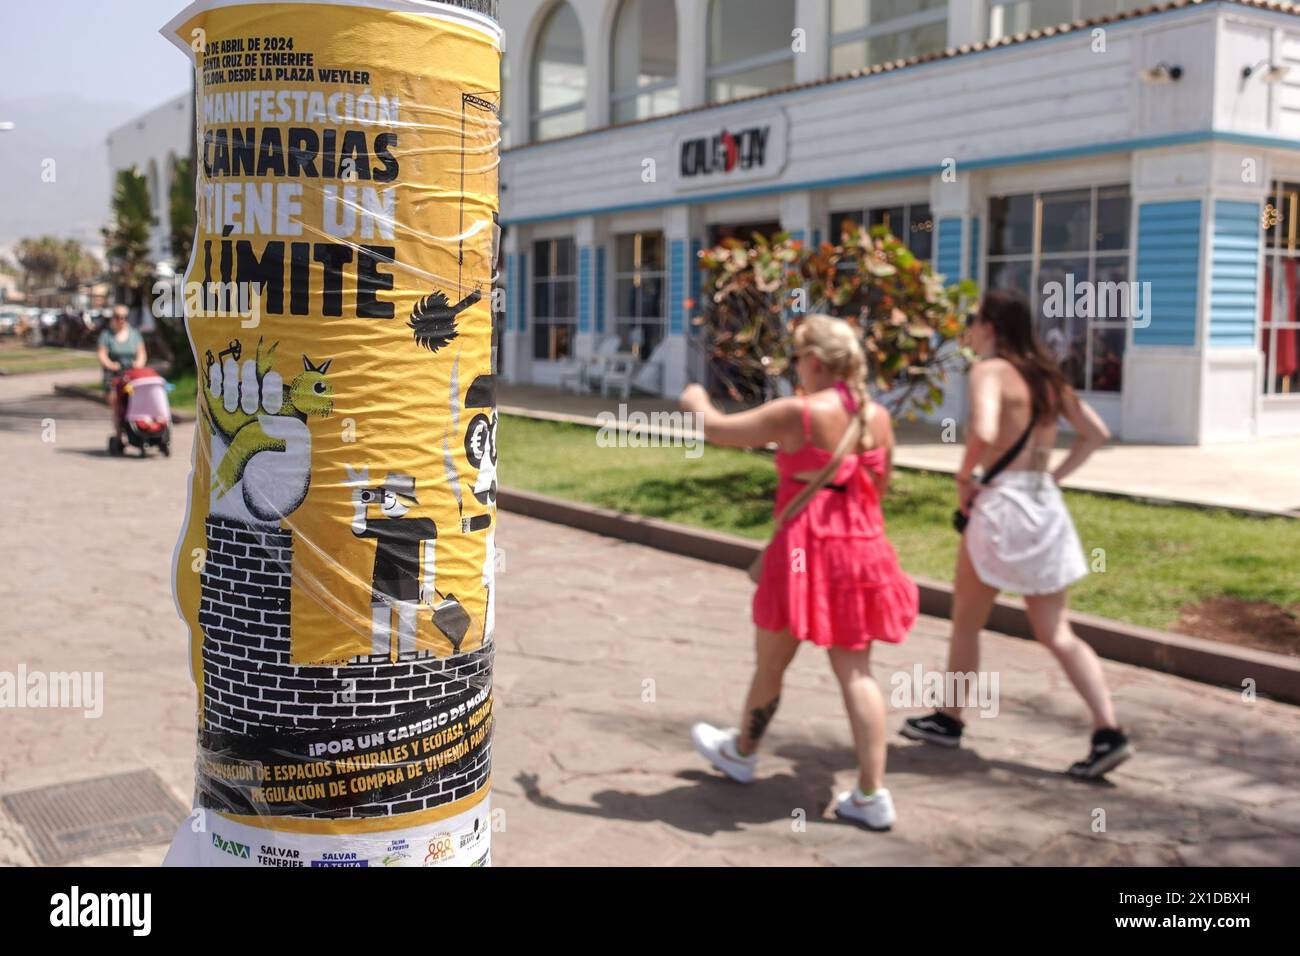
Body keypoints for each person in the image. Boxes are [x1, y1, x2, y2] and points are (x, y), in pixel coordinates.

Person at [681, 313, 919, 831]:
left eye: (797, 359)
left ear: (813, 361)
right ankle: (872, 793)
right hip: (861, 549)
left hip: (804, 554)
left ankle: (742, 752)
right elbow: (880, 487)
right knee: (857, 672)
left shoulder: (798, 413)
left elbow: (719, 430)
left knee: (771, 662)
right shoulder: (875, 416)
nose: (794, 369)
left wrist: (695, 398)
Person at [901, 289, 1132, 779]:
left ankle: (950, 718)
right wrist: (1055, 474)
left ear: (990, 327)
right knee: (1056, 631)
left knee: (967, 619)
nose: (969, 331)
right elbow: (1096, 433)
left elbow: (984, 428)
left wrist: (965, 479)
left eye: (973, 322)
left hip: (1000, 505)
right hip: (1044, 504)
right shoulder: (1047, 378)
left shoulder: (989, 372)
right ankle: (1107, 729)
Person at [96, 305, 147, 445]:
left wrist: (138, 364)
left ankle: (139, 426)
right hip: (114, 375)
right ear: (113, 318)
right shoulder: (106, 335)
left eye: (124, 317)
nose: (121, 320)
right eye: (118, 317)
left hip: (131, 374)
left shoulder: (134, 334)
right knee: (116, 403)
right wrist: (111, 364)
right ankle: (119, 433)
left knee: (137, 399)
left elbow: (141, 353)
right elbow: (102, 354)